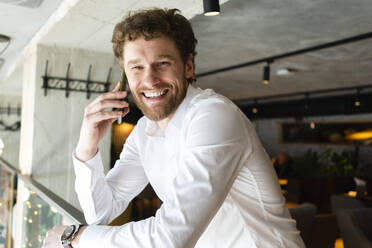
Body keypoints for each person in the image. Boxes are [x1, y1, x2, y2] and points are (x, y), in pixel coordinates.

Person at [44, 8, 304, 248]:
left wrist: (75, 237)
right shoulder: (144, 131)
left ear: (188, 66)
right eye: (136, 68)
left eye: (162, 63)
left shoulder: (214, 115)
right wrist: (87, 146)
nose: (149, 80)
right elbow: (101, 212)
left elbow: (169, 238)